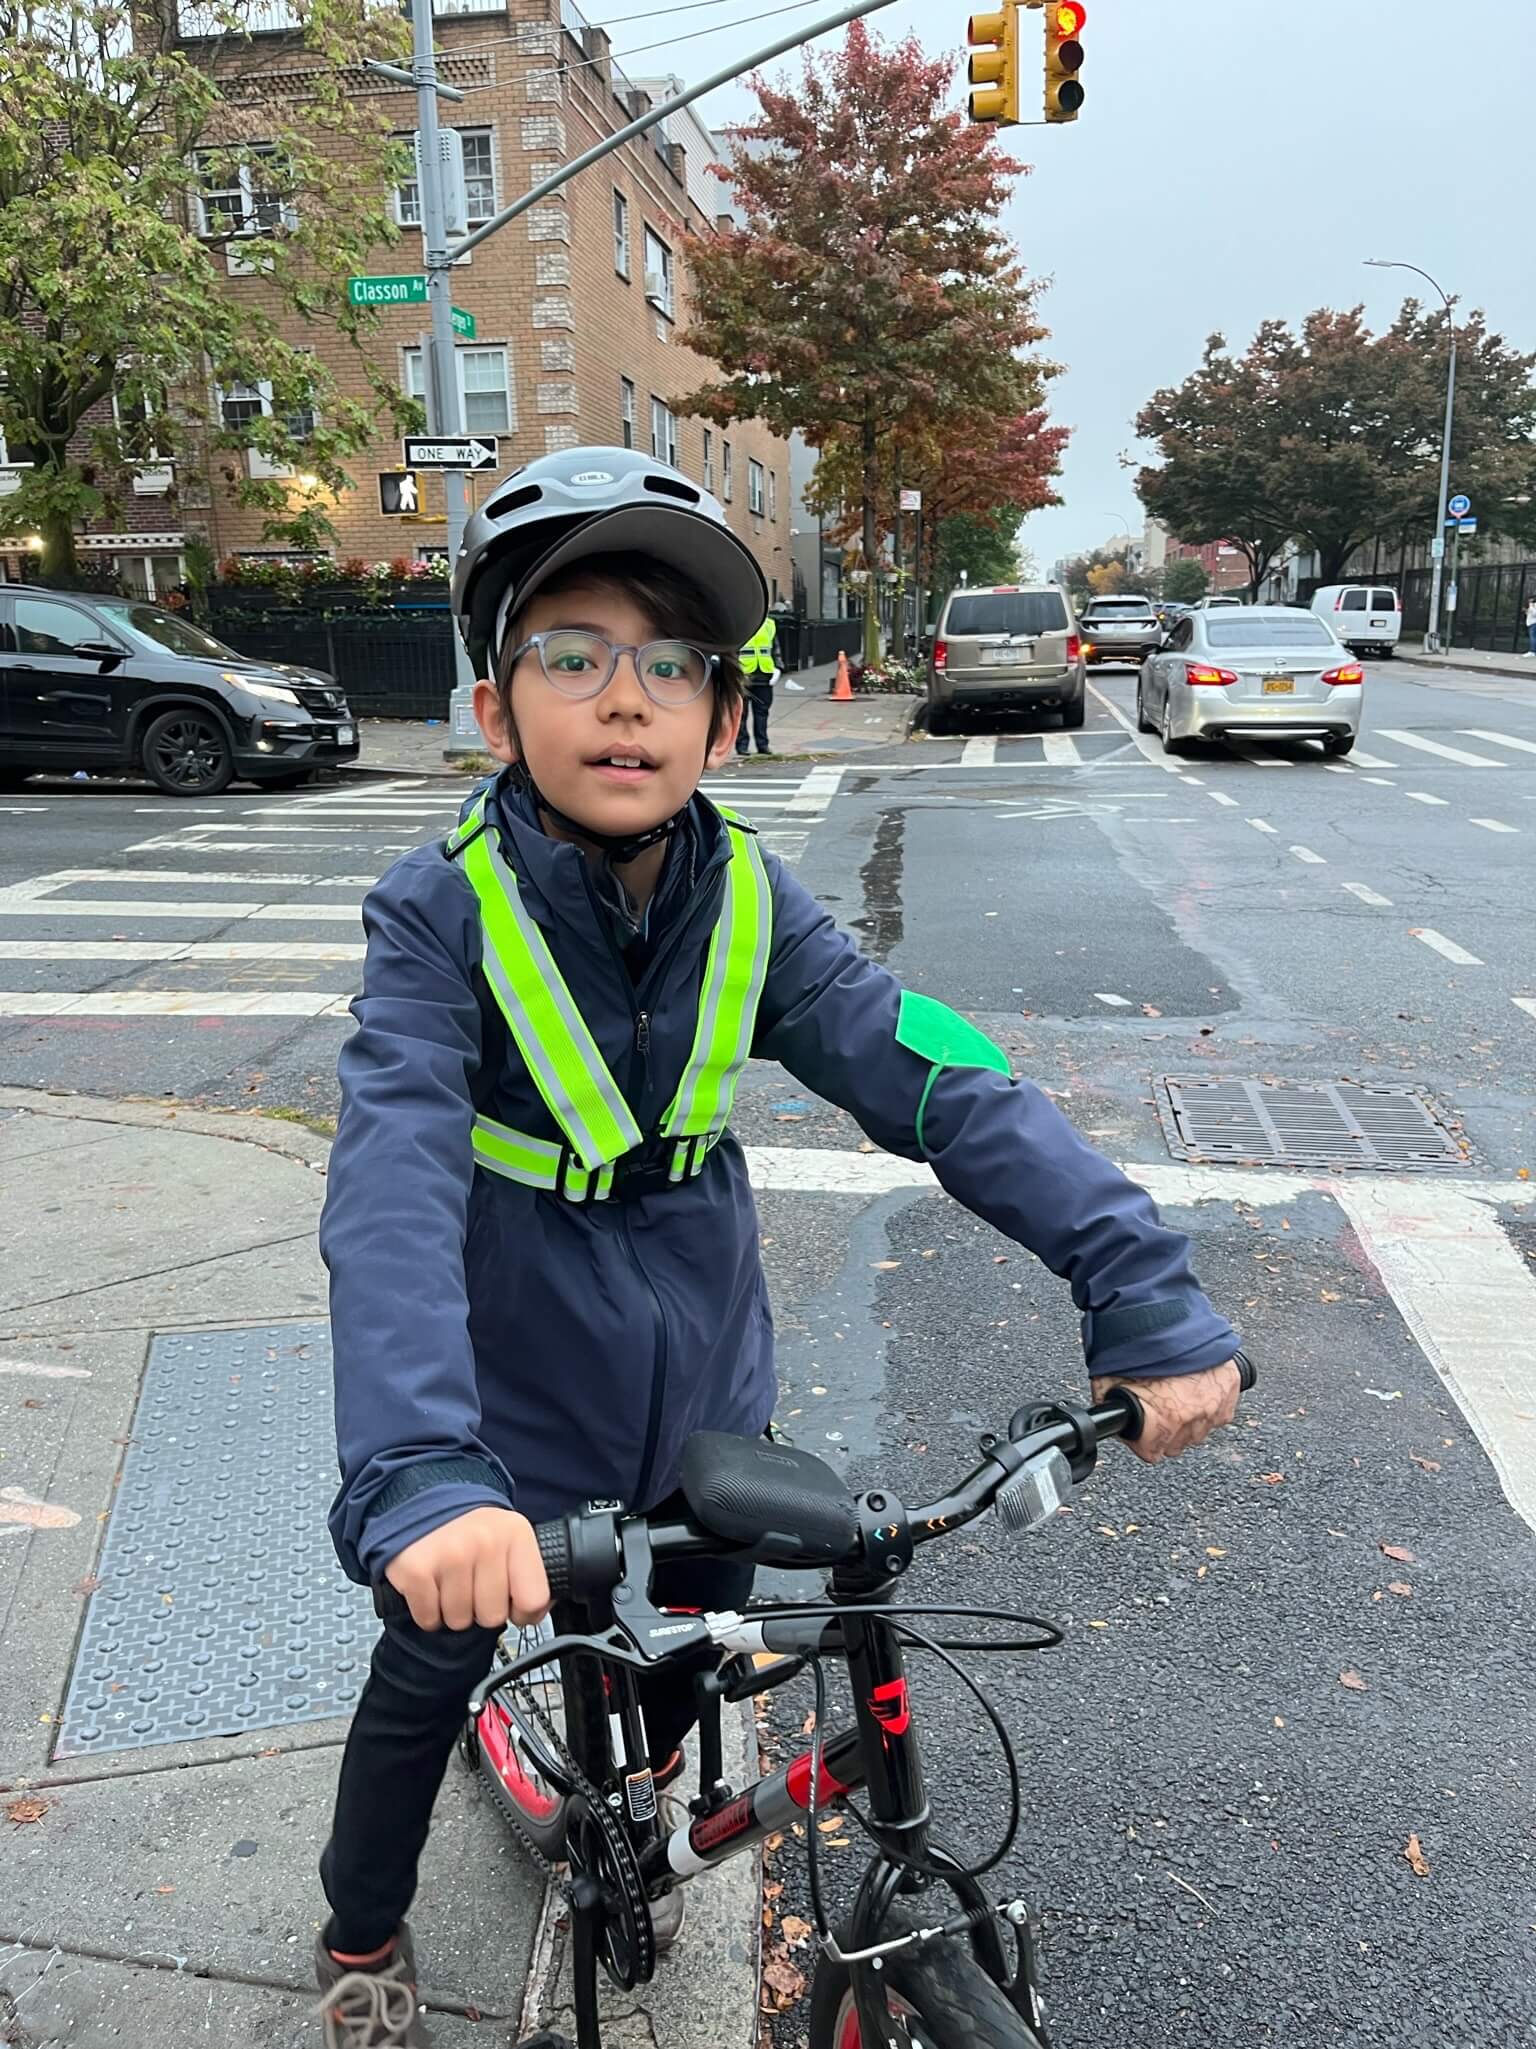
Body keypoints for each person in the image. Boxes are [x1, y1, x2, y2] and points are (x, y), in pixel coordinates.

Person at [314, 446, 1245, 2046]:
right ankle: (356, 1921)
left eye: (674, 664)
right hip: (506, 1379)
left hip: (700, 1370)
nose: (628, 698)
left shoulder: (752, 897)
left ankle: (650, 1786)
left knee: (692, 1637)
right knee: (427, 1665)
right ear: (493, 708)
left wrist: (1135, 1279)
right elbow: (390, 1179)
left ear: (726, 719)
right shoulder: (437, 913)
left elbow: (939, 1075)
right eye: (573, 654)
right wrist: (419, 1469)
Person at [736, 612, 777, 754]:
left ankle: (762, 745)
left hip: (764, 674)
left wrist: (778, 668)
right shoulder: (738, 625)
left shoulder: (769, 625)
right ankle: (742, 746)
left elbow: (775, 648)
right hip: (743, 675)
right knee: (741, 713)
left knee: (762, 712)